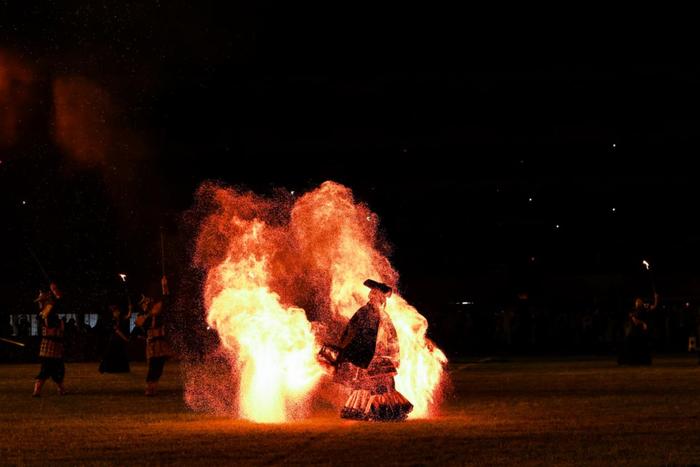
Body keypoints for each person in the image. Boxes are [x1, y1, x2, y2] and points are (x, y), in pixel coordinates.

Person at [319, 279, 413, 421]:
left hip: (380, 358)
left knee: (383, 386)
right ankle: (370, 411)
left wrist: (394, 356)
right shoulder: (365, 313)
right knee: (367, 385)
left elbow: (392, 338)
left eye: (377, 295)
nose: (374, 297)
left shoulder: (384, 316)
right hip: (367, 357)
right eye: (373, 294)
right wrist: (348, 351)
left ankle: (380, 412)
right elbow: (351, 333)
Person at [135, 276, 172, 396]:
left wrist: (164, 286)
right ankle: (149, 387)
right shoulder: (144, 316)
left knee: (159, 366)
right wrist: (144, 319)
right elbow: (141, 326)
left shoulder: (159, 314)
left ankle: (154, 387)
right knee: (153, 365)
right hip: (152, 343)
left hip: (161, 343)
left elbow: (166, 299)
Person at [33, 284, 67, 396]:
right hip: (51, 342)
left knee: (57, 368)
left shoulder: (44, 311)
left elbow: (57, 304)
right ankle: (37, 390)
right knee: (48, 368)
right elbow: (58, 302)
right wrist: (55, 290)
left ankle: (61, 389)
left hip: (54, 342)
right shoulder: (46, 310)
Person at [618, 292, 659, 365]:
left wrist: (656, 298)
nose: (637, 303)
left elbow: (654, 307)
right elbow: (635, 321)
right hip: (635, 331)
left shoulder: (644, 308)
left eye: (639, 302)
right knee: (631, 345)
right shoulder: (634, 311)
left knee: (642, 346)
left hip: (640, 332)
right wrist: (643, 323)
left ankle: (641, 361)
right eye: (637, 302)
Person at [98, 304, 131, 373]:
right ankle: (105, 369)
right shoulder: (112, 320)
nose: (117, 313)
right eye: (115, 312)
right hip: (114, 339)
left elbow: (128, 316)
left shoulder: (121, 318)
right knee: (109, 354)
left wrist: (130, 309)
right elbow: (117, 331)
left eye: (118, 312)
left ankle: (120, 369)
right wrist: (125, 339)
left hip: (119, 340)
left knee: (120, 354)